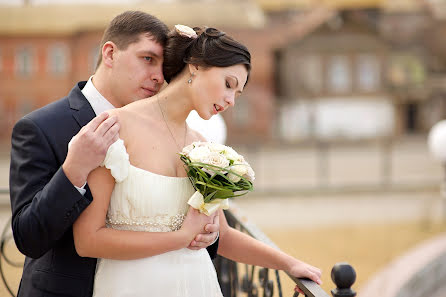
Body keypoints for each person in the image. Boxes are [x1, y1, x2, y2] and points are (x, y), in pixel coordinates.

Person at [72, 24, 322, 297]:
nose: (230, 101)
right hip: (131, 286)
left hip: (198, 283)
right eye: (228, 85)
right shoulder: (116, 127)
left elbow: (223, 236)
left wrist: (290, 263)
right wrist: (179, 238)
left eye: (237, 95)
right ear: (196, 66)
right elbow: (87, 240)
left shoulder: (204, 147)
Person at [9, 11, 219, 297]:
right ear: (110, 54)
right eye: (147, 59)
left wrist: (210, 234)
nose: (159, 77)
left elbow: (179, 220)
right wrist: (74, 170)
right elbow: (28, 238)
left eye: (164, 66)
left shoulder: (175, 133)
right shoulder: (41, 127)